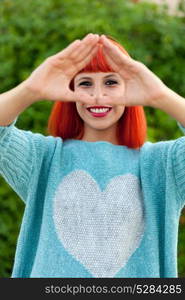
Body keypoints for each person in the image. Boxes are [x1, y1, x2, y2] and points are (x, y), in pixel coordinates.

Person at [0, 33, 185, 278]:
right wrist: (31, 90)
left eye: (111, 82)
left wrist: (160, 96)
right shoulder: (43, 158)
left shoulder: (163, 165)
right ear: (71, 91)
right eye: (85, 83)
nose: (98, 95)